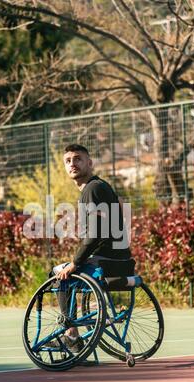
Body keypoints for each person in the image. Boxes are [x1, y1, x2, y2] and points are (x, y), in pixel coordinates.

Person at [51, 143, 131, 352]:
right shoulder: (100, 187)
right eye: (68, 161)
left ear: (89, 163)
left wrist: (75, 263)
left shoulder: (92, 189)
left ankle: (71, 335)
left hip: (105, 261)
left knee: (59, 272)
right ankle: (89, 314)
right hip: (121, 260)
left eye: (77, 159)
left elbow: (95, 234)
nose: (72, 164)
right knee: (70, 271)